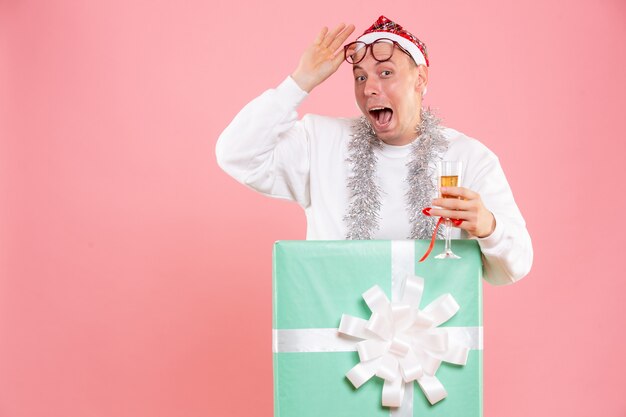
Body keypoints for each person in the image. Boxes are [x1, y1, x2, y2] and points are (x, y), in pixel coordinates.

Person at [216, 16, 533, 285]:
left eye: (385, 73)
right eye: (360, 77)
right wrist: (299, 83)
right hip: (333, 338)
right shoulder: (320, 142)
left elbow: (515, 267)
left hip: (432, 346)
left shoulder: (469, 158)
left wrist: (489, 227)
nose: (368, 88)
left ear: (420, 79)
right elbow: (236, 153)